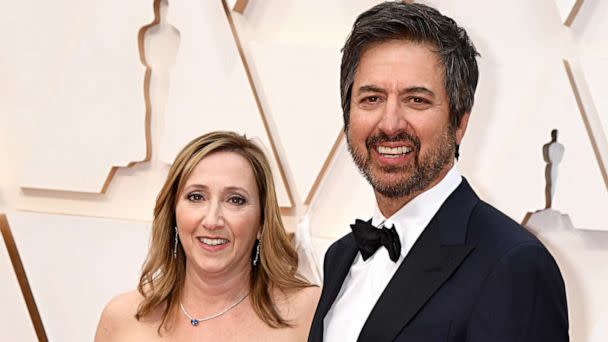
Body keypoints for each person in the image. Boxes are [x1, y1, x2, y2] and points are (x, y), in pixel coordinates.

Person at [309, 2, 568, 341]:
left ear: (460, 122)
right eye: (371, 99)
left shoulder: (513, 263)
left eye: (416, 100)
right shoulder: (339, 257)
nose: (390, 124)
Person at [95, 131, 320, 341]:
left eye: (235, 200)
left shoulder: (309, 312)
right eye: (196, 197)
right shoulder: (121, 318)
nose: (212, 221)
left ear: (262, 222)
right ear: (173, 213)